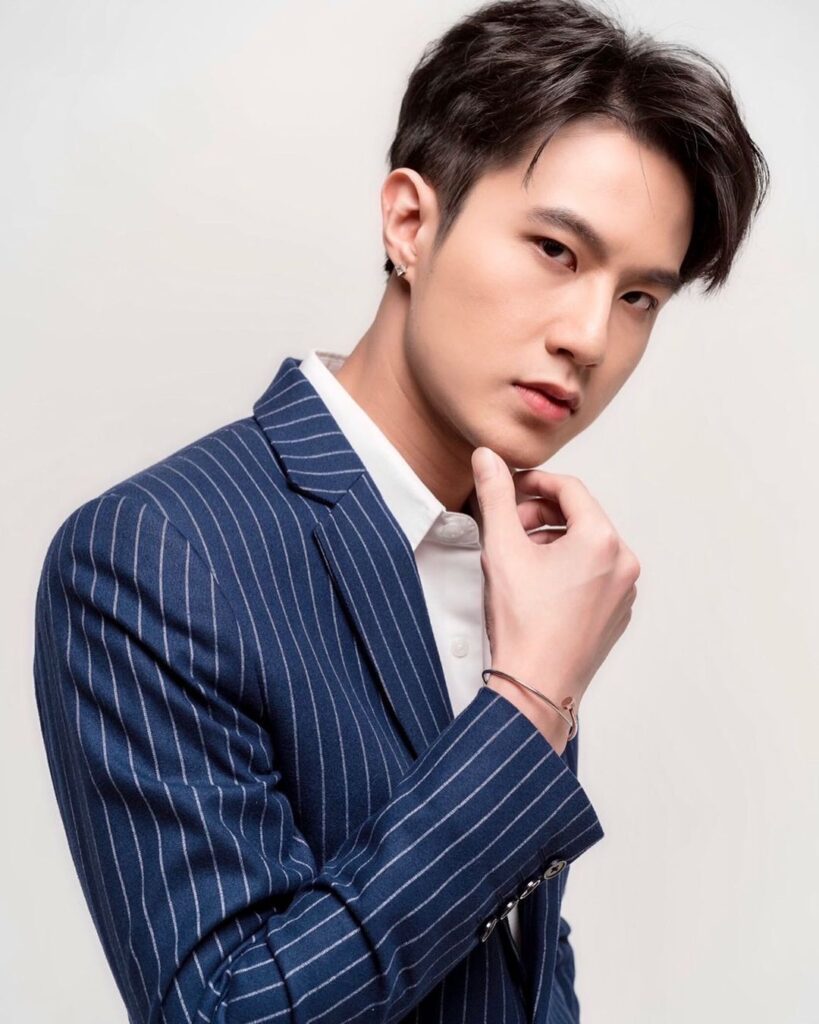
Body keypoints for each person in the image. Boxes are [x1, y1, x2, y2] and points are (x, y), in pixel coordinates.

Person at [32, 0, 769, 1021]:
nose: (591, 336)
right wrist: (530, 704)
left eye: (639, 296)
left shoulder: (525, 558)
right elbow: (229, 1007)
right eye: (556, 250)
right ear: (410, 224)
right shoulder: (155, 555)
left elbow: (512, 972)